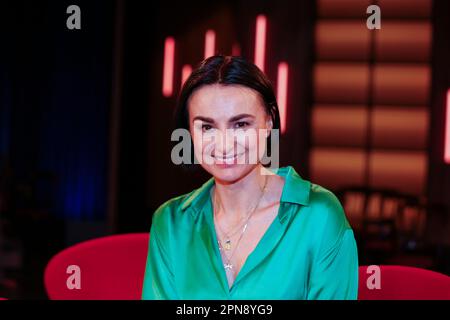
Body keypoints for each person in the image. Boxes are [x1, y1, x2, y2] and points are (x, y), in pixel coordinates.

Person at [142, 55, 358, 299]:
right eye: (207, 127)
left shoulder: (319, 215)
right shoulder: (170, 223)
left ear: (268, 121)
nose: (224, 145)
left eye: (240, 124)